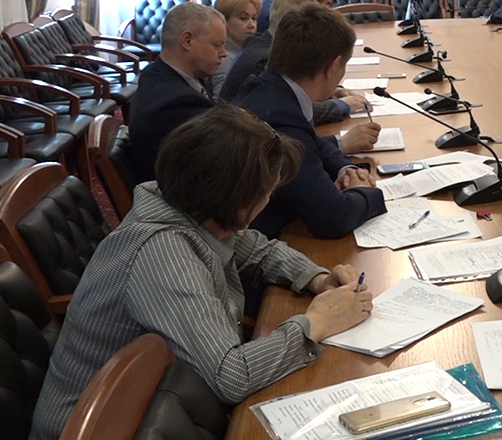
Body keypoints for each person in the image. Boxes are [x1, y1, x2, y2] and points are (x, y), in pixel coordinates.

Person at [29, 105, 373, 440]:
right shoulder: (164, 252)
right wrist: (316, 323)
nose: (268, 200)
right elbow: (231, 376)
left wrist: (318, 279)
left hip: (154, 401)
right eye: (268, 192)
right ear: (238, 201)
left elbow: (259, 250)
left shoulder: (186, 204)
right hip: (96, 425)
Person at [234, 3, 387, 239]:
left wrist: (346, 168)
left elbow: (313, 141)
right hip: (262, 241)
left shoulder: (268, 88)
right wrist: (368, 192)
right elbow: (333, 218)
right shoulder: (280, 117)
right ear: (332, 67)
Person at [221, 0, 372, 148]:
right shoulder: (265, 61)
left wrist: (333, 89)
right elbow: (296, 124)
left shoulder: (264, 46)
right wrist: (341, 107)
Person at [127, 2, 227, 183]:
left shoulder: (154, 73)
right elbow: (219, 166)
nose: (223, 53)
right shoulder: (179, 104)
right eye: (217, 45)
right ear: (187, 41)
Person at [210, 0, 262, 99]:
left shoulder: (246, 52)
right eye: (243, 18)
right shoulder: (223, 59)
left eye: (254, 18)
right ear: (223, 21)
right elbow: (221, 101)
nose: (252, 25)